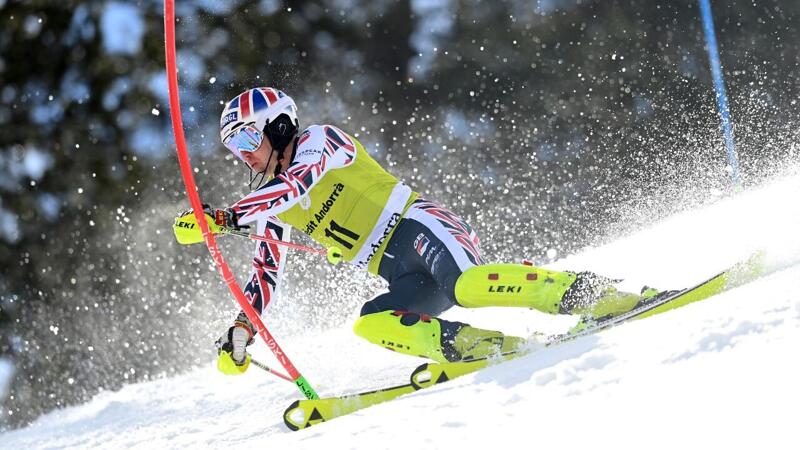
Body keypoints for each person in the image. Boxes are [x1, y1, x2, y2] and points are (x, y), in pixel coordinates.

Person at [174, 87, 659, 375]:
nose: (245, 156)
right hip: (397, 271)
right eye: (234, 149)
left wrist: (222, 219)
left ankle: (590, 294)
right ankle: (475, 346)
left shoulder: (320, 141)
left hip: (420, 229)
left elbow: (296, 186)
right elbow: (264, 278)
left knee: (467, 286)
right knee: (371, 321)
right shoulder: (265, 207)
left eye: (245, 139)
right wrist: (242, 329)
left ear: (278, 126)